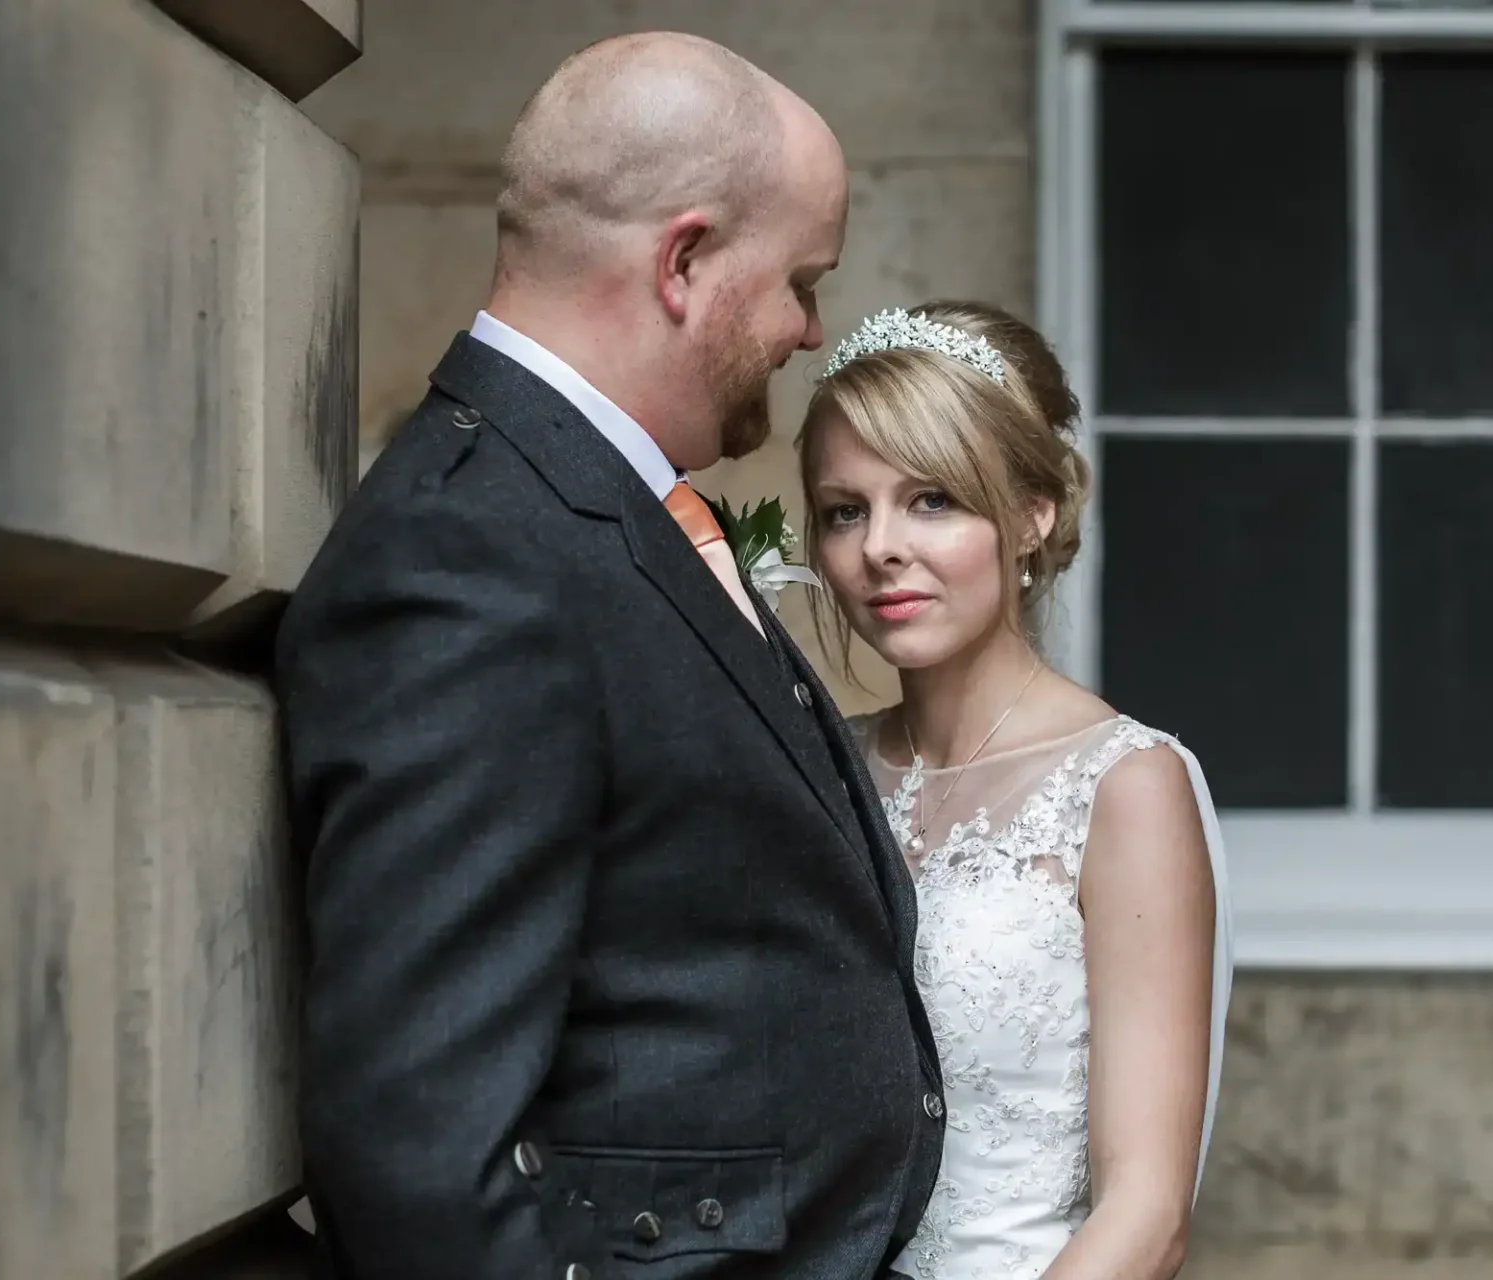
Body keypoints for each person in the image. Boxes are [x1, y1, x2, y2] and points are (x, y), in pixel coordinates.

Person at [273, 34, 944, 1280]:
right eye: (803, 282)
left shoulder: (595, 503)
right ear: (684, 262)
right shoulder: (466, 555)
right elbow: (422, 1150)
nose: (811, 333)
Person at [798, 301, 1234, 1280]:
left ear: (1032, 511)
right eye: (844, 509)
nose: (880, 547)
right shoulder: (820, 770)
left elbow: (1149, 1210)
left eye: (933, 498)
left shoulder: (1125, 784)